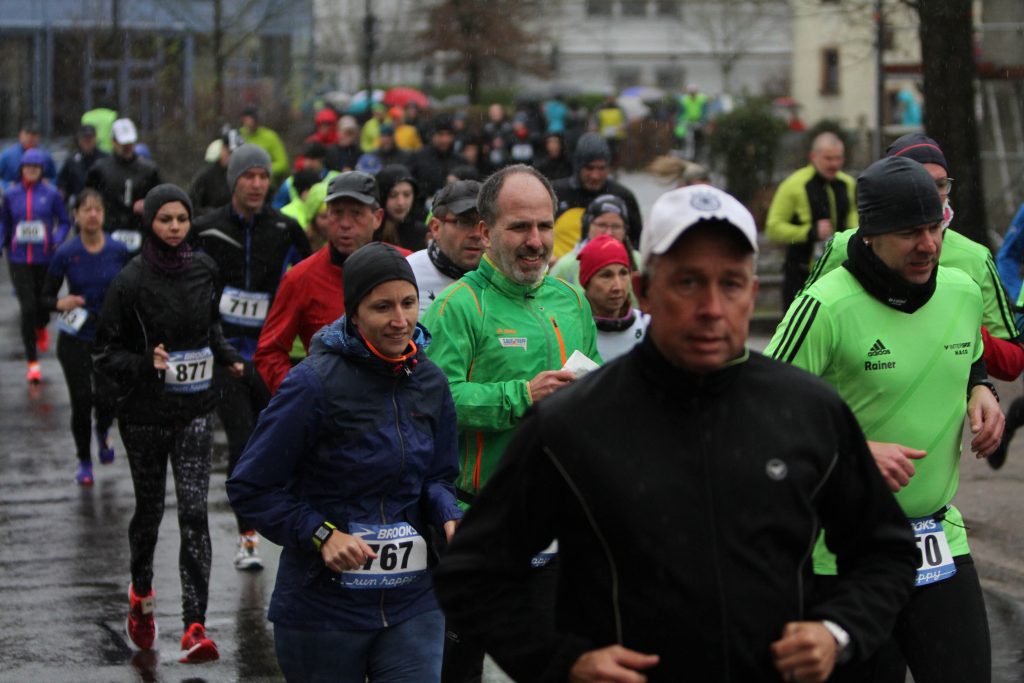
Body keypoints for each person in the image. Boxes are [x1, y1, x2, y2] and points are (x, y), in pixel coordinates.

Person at [434, 183, 918, 682]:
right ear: (645, 291)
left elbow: (886, 550)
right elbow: (473, 571)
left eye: (731, 284)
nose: (711, 307)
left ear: (752, 294)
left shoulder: (807, 410)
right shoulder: (575, 422)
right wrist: (564, 662)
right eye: (687, 283)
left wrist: (837, 631)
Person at [766, 156, 1003, 683]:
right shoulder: (826, 307)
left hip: (937, 538)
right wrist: (851, 452)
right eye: (909, 233)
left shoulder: (962, 292)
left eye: (934, 228)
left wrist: (980, 387)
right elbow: (756, 410)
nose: (928, 245)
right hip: (843, 551)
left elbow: (961, 354)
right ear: (870, 234)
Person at [227, 242, 462, 682]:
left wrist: (448, 513)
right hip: (324, 609)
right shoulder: (312, 384)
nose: (400, 320)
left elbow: (439, 476)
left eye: (408, 303)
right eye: (382, 307)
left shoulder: (429, 381)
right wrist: (322, 534)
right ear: (354, 313)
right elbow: (251, 487)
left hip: (413, 603)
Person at [421, 164, 600, 682]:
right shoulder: (457, 307)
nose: (536, 241)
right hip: (474, 523)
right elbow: (433, 403)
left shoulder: (571, 300)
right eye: (519, 227)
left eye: (544, 226)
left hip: (554, 523)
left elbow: (594, 385)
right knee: (458, 671)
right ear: (485, 230)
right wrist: (521, 395)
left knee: (558, 667)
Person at [803, 134, 1023, 467]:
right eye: (917, 182)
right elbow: (793, 363)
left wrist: (970, 360)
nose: (929, 195)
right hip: (847, 458)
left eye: (940, 185)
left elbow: (1011, 362)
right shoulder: (842, 250)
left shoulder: (973, 260)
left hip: (931, 470)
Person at [93, 184, 244, 663]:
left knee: (195, 514)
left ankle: (194, 626)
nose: (176, 228)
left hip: (195, 409)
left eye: (182, 219)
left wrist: (226, 355)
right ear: (150, 223)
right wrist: (146, 363)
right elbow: (104, 353)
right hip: (144, 416)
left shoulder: (206, 269)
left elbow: (211, 326)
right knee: (151, 511)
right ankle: (141, 593)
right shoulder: (130, 281)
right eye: (166, 220)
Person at [194, 144, 311, 570]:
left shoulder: (284, 227)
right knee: (242, 441)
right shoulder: (207, 229)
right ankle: (247, 538)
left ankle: (294, 525)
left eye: (264, 176)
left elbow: (311, 275)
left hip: (269, 352)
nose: (258, 184)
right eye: (249, 176)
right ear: (234, 182)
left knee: (282, 442)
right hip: (224, 354)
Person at [254, 171, 409, 394]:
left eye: (356, 214)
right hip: (332, 408)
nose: (345, 224)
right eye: (336, 213)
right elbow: (269, 352)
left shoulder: (406, 264)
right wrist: (301, 396)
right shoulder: (301, 278)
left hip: (396, 403)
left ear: (377, 218)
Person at [40, 188, 128, 484]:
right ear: (75, 215)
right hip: (75, 338)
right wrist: (60, 303)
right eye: (86, 209)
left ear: (104, 214)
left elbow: (130, 291)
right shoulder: (66, 253)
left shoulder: (118, 250)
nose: (92, 215)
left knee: (108, 398)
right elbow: (45, 298)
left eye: (97, 209)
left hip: (109, 338)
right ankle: (84, 461)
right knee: (81, 401)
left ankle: (102, 430)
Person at [2, 148, 72, 383]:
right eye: (27, 167)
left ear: (42, 170)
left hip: (44, 258)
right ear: (21, 169)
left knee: (43, 305)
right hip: (19, 259)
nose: (31, 171)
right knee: (28, 307)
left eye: (36, 167)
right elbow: (4, 223)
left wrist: (56, 239)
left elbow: (64, 221)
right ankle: (32, 362)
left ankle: (41, 326)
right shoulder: (11, 195)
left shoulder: (51, 195)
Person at [765, 131, 857, 310]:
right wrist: (809, 232)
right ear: (813, 156)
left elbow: (854, 223)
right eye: (828, 159)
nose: (834, 164)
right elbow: (772, 228)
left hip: (840, 274)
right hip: (801, 274)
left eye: (839, 158)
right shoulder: (794, 184)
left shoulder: (848, 183)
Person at [552, 132, 643, 256]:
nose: (595, 176)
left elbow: (637, 242)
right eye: (589, 168)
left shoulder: (623, 196)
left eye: (601, 168)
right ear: (578, 166)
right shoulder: (556, 193)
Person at [85, 117, 162, 254]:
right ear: (113, 141)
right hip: (108, 229)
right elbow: (88, 197)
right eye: (123, 143)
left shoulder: (149, 170)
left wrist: (149, 202)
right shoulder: (100, 169)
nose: (127, 147)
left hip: (141, 230)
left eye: (130, 143)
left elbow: (161, 196)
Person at [407, 179, 483, 314]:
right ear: (435, 228)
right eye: (464, 222)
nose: (477, 234)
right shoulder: (407, 274)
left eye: (485, 223)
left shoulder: (507, 279)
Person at [576, 234, 648, 361]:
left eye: (623, 273)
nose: (618, 286)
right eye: (606, 275)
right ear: (586, 283)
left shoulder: (649, 327)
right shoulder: (571, 332)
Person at [549, 193, 638, 286]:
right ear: (587, 227)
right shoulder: (566, 266)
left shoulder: (637, 261)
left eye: (616, 226)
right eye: (602, 225)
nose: (609, 233)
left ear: (625, 230)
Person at [409, 115, 468, 201]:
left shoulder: (460, 160)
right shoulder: (418, 158)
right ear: (432, 135)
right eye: (440, 134)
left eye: (448, 134)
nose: (444, 139)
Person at [189, 128, 244, 217]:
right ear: (222, 150)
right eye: (230, 153)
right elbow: (192, 206)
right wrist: (213, 215)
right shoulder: (206, 178)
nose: (234, 157)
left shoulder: (248, 176)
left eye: (238, 154)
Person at [375, 165, 427, 251]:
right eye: (392, 195)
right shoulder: (370, 231)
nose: (400, 202)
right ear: (381, 197)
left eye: (407, 195)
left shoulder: (421, 233)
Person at [57, 124, 108, 206]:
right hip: (77, 203)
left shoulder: (105, 159)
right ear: (79, 140)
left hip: (100, 204)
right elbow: (62, 182)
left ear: (95, 139)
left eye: (90, 138)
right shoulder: (72, 160)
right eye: (84, 138)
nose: (87, 141)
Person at [239, 105, 289, 185]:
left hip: (265, 184)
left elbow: (283, 164)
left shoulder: (270, 137)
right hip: (242, 184)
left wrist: (263, 169)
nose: (252, 122)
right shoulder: (238, 135)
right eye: (249, 119)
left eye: (255, 119)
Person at [0, 119, 57, 186]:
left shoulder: (46, 156)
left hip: (39, 191)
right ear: (20, 135)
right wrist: (6, 185)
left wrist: (49, 183)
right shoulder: (7, 155)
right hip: (13, 191)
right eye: (27, 133)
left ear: (38, 137)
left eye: (34, 134)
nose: (30, 137)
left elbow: (55, 177)